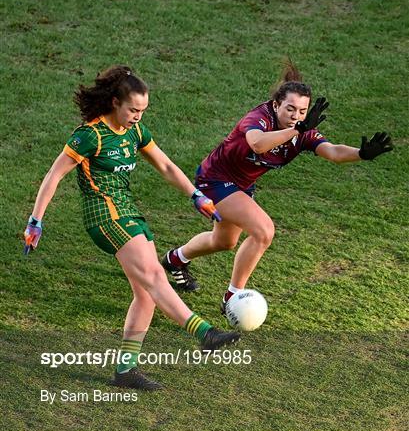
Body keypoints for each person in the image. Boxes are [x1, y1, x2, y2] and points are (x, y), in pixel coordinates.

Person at [23, 65, 240, 391]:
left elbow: (165, 165)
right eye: (133, 109)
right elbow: (54, 175)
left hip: (128, 213)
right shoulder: (90, 135)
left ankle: (125, 370)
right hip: (104, 215)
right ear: (115, 102)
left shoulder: (135, 132)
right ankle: (204, 333)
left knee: (146, 294)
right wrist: (35, 220)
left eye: (143, 110)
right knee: (154, 276)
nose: (138, 115)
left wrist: (195, 195)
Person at [162, 60, 393, 312]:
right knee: (263, 231)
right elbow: (258, 144)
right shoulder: (259, 118)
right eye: (290, 109)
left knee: (224, 242)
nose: (296, 116)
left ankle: (175, 260)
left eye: (302, 111)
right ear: (276, 105)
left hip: (241, 186)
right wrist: (297, 130)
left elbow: (334, 152)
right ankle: (232, 298)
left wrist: (362, 153)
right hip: (215, 179)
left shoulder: (303, 130)